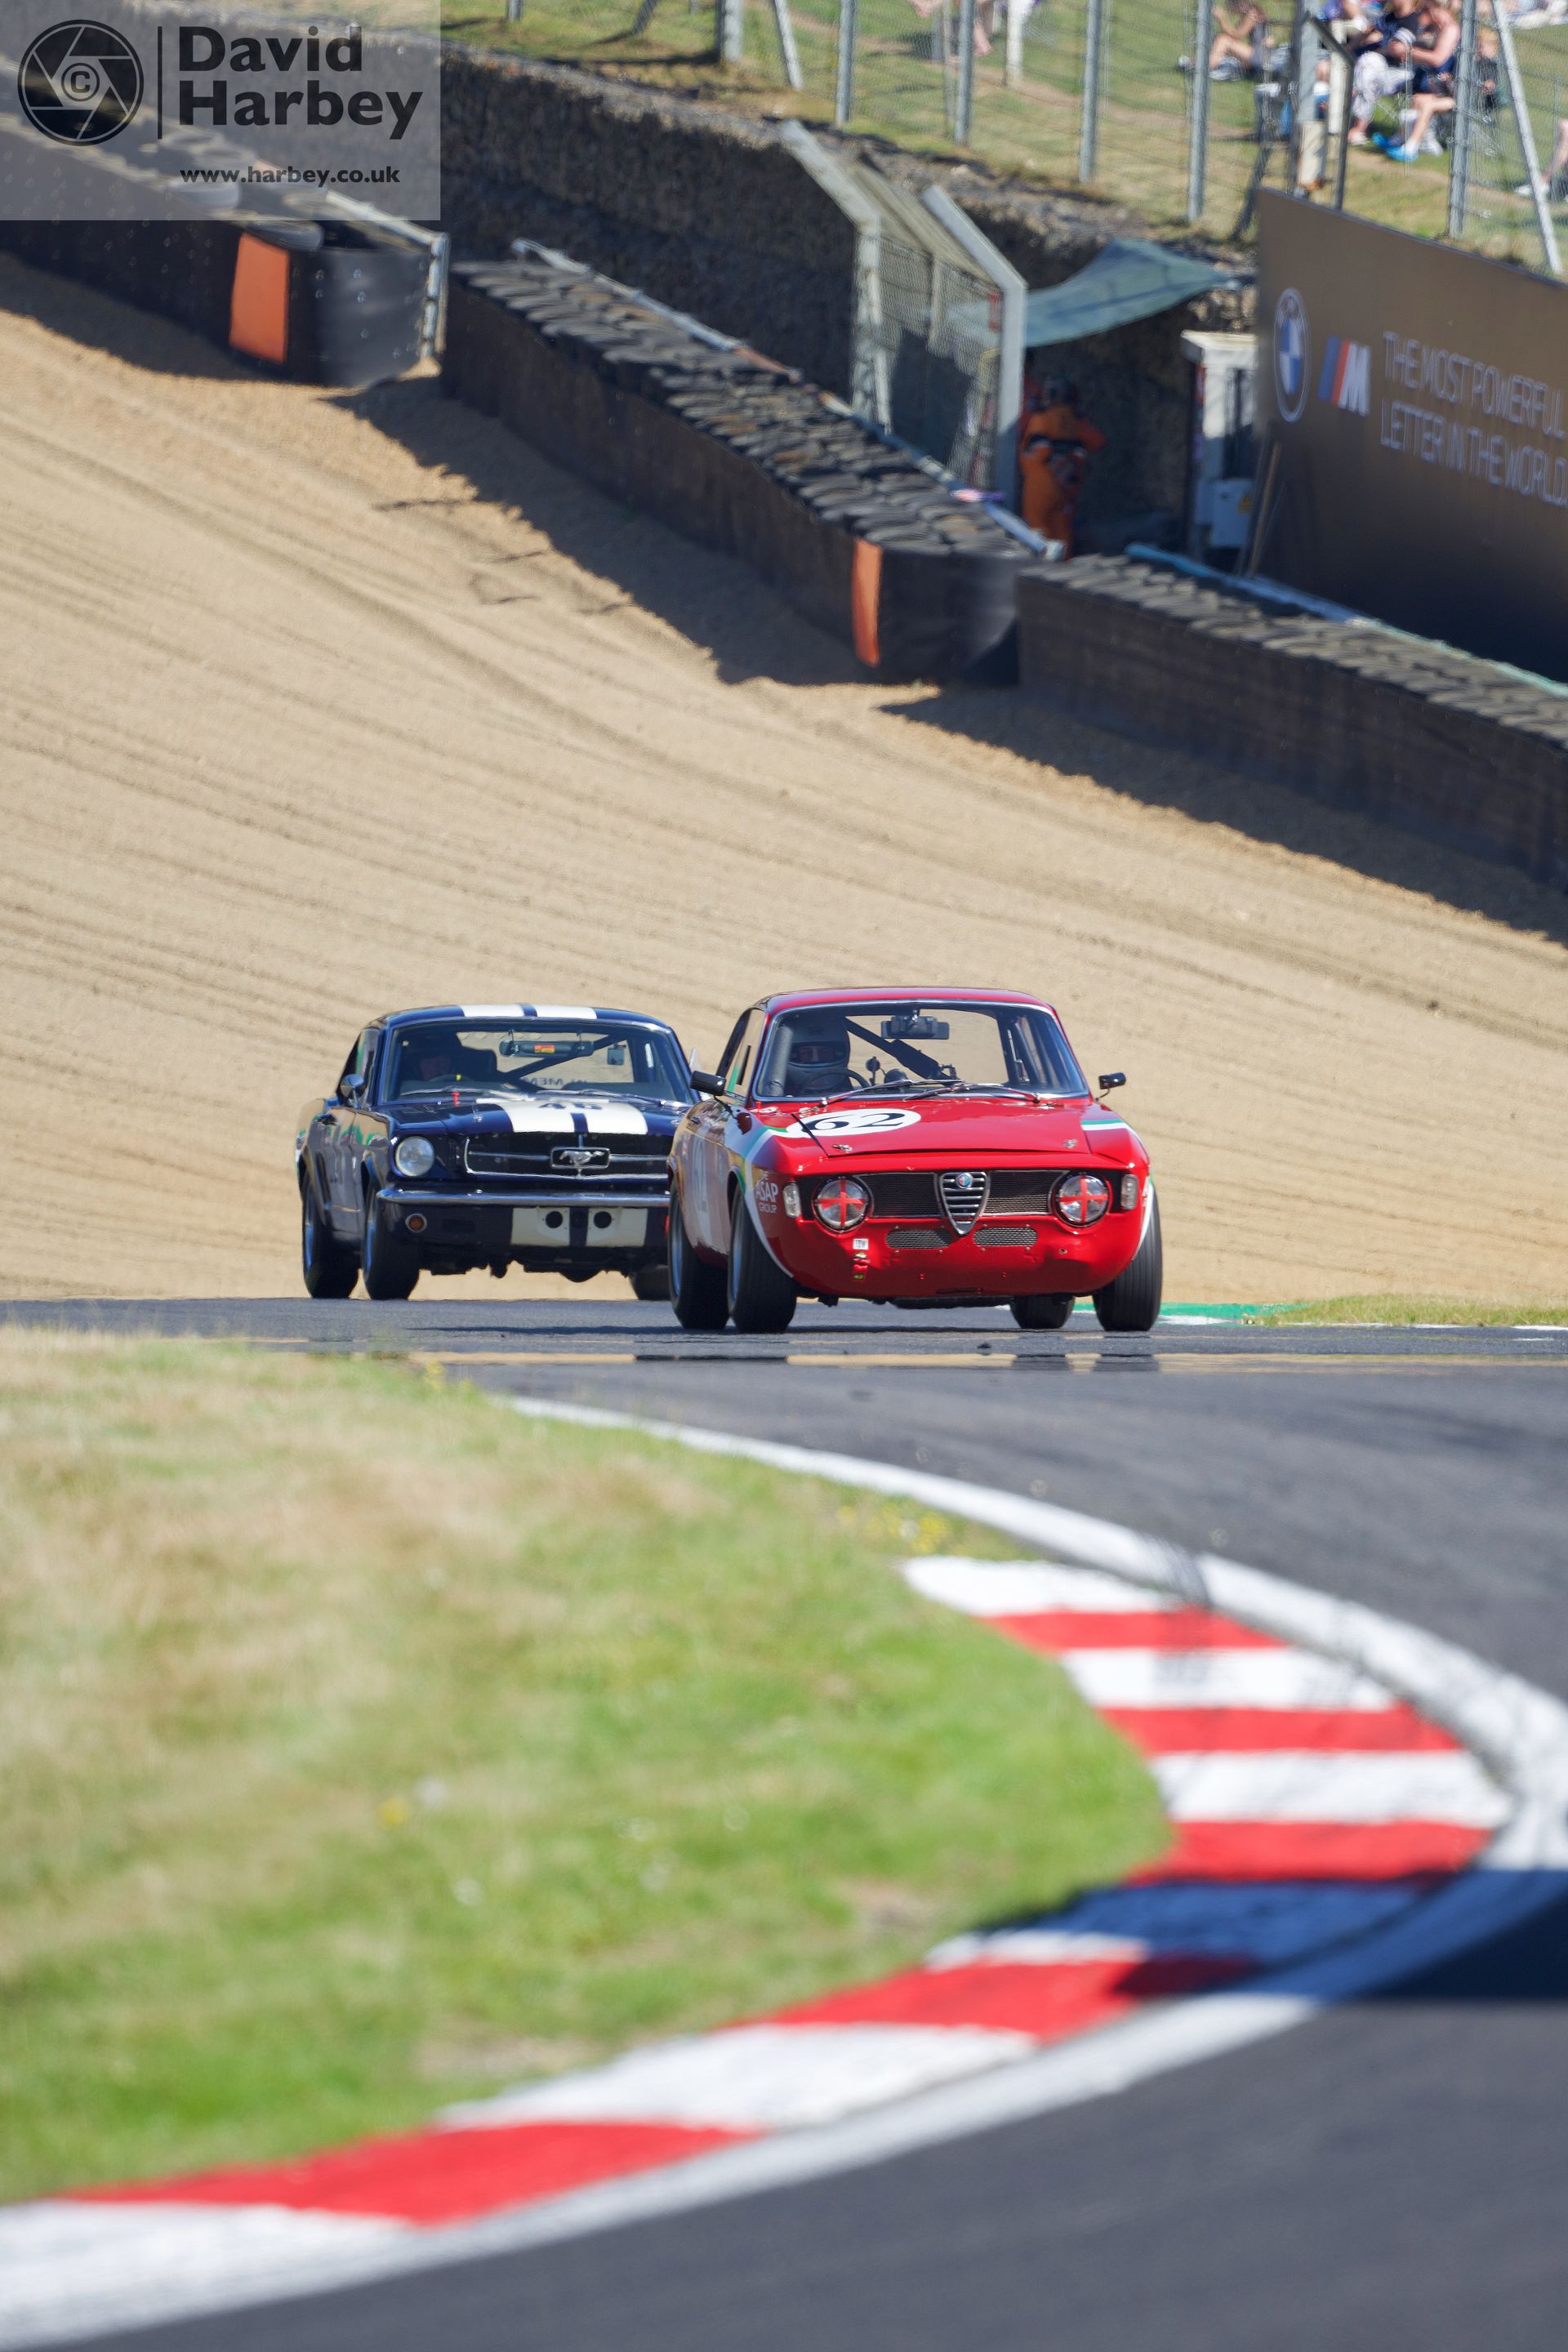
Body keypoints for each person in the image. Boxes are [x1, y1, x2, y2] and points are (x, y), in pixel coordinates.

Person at [1018, 375, 1107, 556]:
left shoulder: (1042, 418)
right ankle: (1062, 569)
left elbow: (1040, 449)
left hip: (1041, 483)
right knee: (1061, 528)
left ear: (1052, 395)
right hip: (1067, 487)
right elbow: (1097, 441)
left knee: (1037, 527)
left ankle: (1038, 567)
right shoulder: (1076, 421)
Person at [1371, 0, 1459, 156]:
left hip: (1452, 90)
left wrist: (1408, 51)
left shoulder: (1451, 29)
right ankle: (1398, 139)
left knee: (1423, 102)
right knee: (1417, 99)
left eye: (1427, 9)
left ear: (1437, 8)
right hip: (1434, 84)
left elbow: (1438, 59)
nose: (1424, 13)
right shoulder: (1436, 28)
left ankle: (1410, 148)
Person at [1208, 0, 1270, 76]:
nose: (1228, 7)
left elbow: (1236, 35)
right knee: (1221, 39)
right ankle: (1203, 62)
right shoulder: (1250, 12)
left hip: (1259, 57)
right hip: (1258, 54)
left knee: (1223, 41)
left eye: (1230, 4)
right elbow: (1234, 35)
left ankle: (1206, 67)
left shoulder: (1252, 14)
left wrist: (1222, 18)